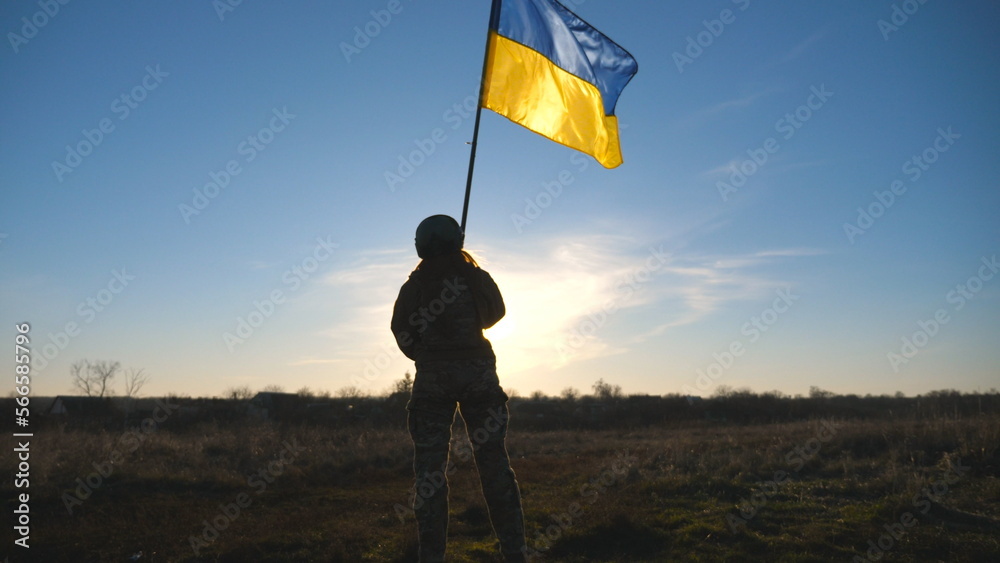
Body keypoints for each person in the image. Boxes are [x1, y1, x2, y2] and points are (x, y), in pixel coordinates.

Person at [391, 214, 527, 562]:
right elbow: (495, 314)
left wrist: (424, 354)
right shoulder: (475, 276)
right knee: (494, 463)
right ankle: (515, 553)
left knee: (429, 473)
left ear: (421, 245)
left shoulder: (414, 285)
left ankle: (431, 556)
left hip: (432, 382)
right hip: (479, 377)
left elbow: (401, 331)